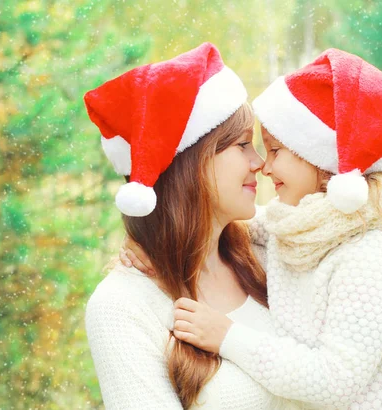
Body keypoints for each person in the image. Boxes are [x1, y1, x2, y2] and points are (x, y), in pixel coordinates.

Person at [126, 49, 382, 409]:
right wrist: (154, 242)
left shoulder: (371, 252)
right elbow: (224, 227)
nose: (264, 167)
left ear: (320, 159)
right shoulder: (299, 229)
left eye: (275, 151)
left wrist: (227, 337)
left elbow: (335, 380)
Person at [84, 42, 297, 409]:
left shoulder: (271, 247)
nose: (259, 163)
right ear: (191, 163)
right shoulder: (122, 305)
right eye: (243, 145)